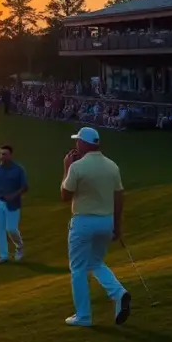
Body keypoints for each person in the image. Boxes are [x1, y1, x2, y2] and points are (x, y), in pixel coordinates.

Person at [60, 127, 130, 328]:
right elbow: (119, 197)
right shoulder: (112, 166)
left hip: (83, 221)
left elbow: (64, 196)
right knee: (96, 262)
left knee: (78, 269)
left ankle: (83, 316)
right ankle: (119, 293)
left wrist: (66, 167)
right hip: (106, 221)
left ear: (83, 144)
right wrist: (117, 225)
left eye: (77, 141)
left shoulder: (77, 167)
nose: (76, 145)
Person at [0, 145, 28, 265]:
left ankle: (19, 247)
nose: (2, 157)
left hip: (13, 204)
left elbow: (25, 187)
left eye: (4, 154)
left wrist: (14, 195)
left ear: (10, 155)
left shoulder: (18, 170)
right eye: (0, 154)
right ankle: (3, 255)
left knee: (11, 229)